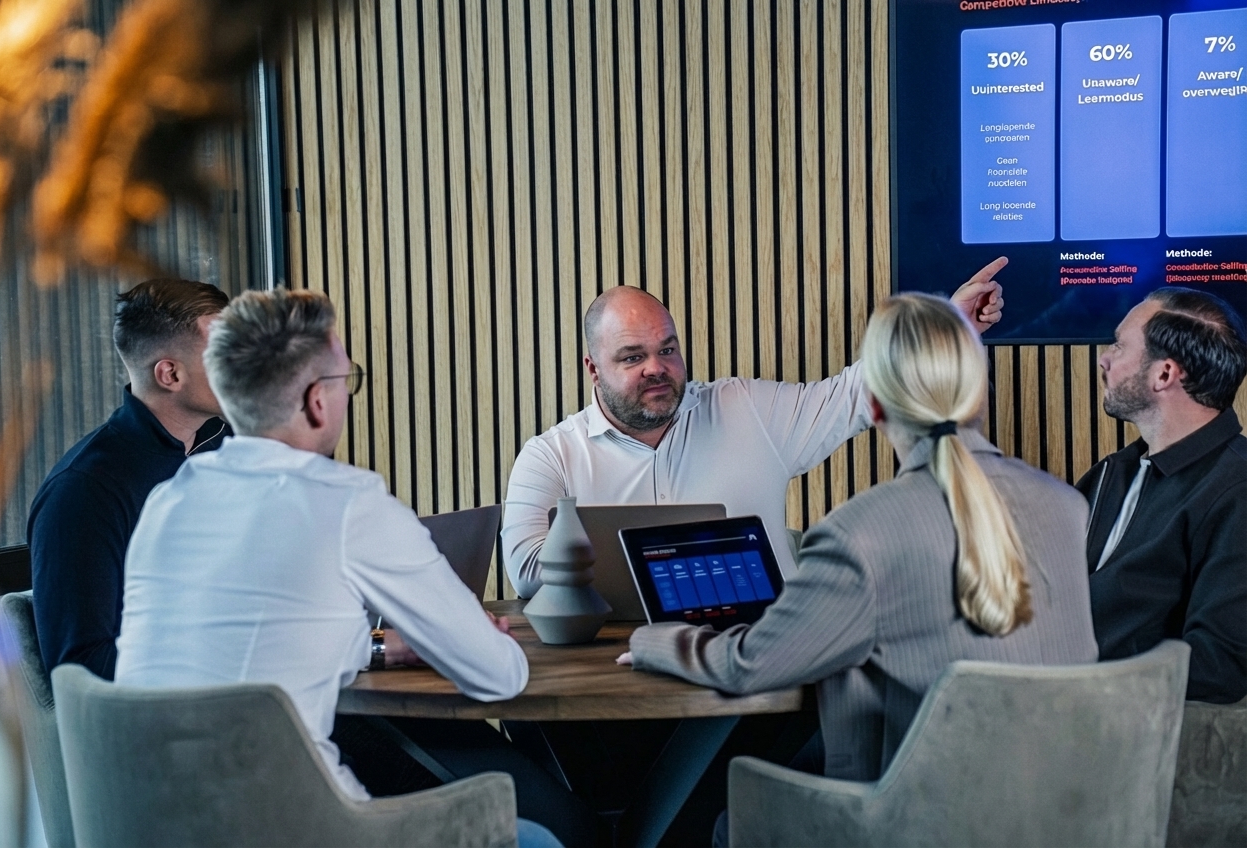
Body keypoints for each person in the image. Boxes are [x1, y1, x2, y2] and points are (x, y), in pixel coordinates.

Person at [111, 289, 559, 847]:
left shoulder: (170, 499)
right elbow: (499, 677)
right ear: (316, 402)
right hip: (295, 830)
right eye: (346, 380)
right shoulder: (347, 502)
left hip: (147, 825)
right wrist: (468, 638)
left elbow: (255, 642)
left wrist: (381, 647)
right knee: (539, 838)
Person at [620, 293, 1098, 785]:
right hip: (1063, 804)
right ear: (981, 392)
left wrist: (651, 640)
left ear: (873, 405)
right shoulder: (1069, 507)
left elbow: (747, 665)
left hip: (911, 813)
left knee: (733, 805)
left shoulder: (858, 536)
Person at [501, 259, 1009, 598]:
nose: (657, 368)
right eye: (633, 357)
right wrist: (670, 566)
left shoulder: (744, 409)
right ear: (593, 369)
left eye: (667, 349)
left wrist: (947, 325)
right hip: (613, 674)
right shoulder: (551, 457)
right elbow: (526, 572)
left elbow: (855, 392)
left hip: (761, 678)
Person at [28, 279, 230, 680]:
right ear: (170, 374)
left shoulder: (231, 448)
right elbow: (82, 668)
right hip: (178, 709)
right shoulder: (83, 491)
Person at [1078, 288, 1247, 704]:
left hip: (1118, 721)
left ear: (1165, 374)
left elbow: (1219, 665)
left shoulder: (1237, 487)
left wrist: (1080, 684)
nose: (1104, 359)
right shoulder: (1111, 473)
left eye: (1119, 345)